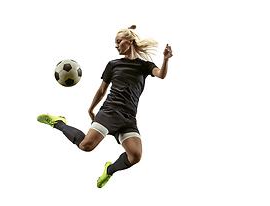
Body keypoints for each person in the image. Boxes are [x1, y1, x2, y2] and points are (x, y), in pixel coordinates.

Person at [37, 25, 173, 188]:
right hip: (110, 111)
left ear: (129, 42)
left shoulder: (145, 66)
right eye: (115, 43)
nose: (116, 46)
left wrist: (165, 59)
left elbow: (161, 75)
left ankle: (109, 170)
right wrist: (91, 108)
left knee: (135, 156)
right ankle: (58, 122)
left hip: (128, 117)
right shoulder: (113, 64)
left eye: (118, 41)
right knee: (86, 146)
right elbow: (102, 90)